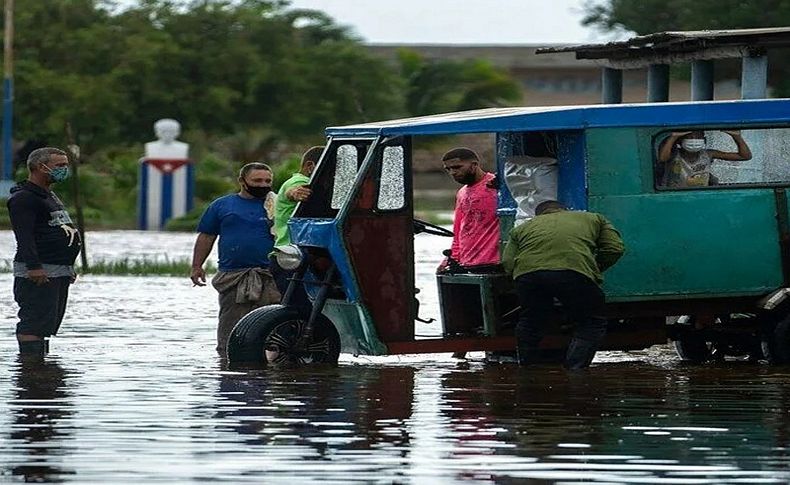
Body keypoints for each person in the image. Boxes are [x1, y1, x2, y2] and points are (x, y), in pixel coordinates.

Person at [502, 200, 625, 370]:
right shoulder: (594, 218)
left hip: (529, 276)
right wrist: (593, 268)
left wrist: (523, 278)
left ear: (539, 215)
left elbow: (507, 262)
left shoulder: (521, 229)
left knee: (531, 321)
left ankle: (527, 368)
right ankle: (575, 370)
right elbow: (614, 248)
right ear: (565, 210)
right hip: (573, 272)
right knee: (591, 322)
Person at [190, 162, 281, 353]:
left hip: (272, 276)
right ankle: (227, 368)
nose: (263, 185)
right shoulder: (221, 205)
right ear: (242, 181)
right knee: (230, 332)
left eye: (267, 181)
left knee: (273, 333)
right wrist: (197, 266)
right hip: (233, 277)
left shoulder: (278, 205)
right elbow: (207, 236)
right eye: (257, 181)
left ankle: (272, 374)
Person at [7, 147, 82, 357]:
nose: (64, 170)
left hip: (59, 270)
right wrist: (34, 267)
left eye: (66, 165)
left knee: (47, 323)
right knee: (33, 322)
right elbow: (25, 237)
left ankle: (44, 373)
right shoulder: (24, 198)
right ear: (41, 167)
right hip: (39, 271)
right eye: (60, 166)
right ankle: (30, 372)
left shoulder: (49, 196)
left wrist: (67, 266)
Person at [270, 146, 324, 308]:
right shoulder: (300, 182)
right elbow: (292, 191)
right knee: (299, 311)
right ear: (310, 166)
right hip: (292, 258)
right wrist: (296, 193)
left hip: (288, 256)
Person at [436, 147, 500, 274]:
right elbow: (459, 229)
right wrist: (451, 258)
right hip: (467, 260)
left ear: (474, 165)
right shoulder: (461, 193)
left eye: (457, 167)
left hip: (493, 261)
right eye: (448, 169)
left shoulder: (496, 186)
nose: (452, 172)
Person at [657, 130, 751, 188]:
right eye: (689, 137)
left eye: (698, 137)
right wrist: (673, 137)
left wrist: (737, 136)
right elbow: (662, 158)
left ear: (704, 140)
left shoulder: (708, 154)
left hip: (700, 195)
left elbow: (745, 156)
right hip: (673, 195)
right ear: (680, 141)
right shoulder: (674, 154)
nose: (694, 140)